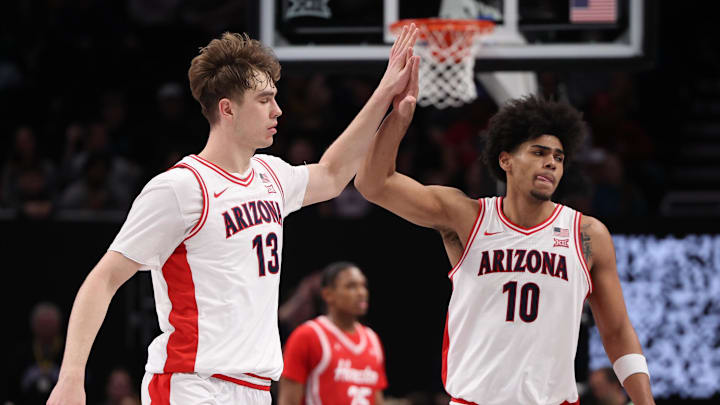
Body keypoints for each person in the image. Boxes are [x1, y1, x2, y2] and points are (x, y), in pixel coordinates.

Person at [48, 26, 419, 405]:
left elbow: (333, 174)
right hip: (193, 384)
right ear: (227, 108)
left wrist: (385, 93)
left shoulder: (271, 175)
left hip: (255, 388)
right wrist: (71, 378)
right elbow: (104, 278)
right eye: (265, 99)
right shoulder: (181, 188)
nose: (278, 110)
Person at [353, 69, 654, 405]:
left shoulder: (587, 234)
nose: (551, 163)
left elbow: (616, 331)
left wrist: (644, 401)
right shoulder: (466, 216)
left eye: (558, 157)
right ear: (506, 160)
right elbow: (373, 184)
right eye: (539, 152)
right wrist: (398, 116)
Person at [278, 262, 387, 405]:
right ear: (328, 294)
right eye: (351, 286)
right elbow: (288, 401)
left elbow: (377, 398)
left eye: (364, 286)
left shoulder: (372, 339)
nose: (361, 292)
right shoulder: (307, 335)